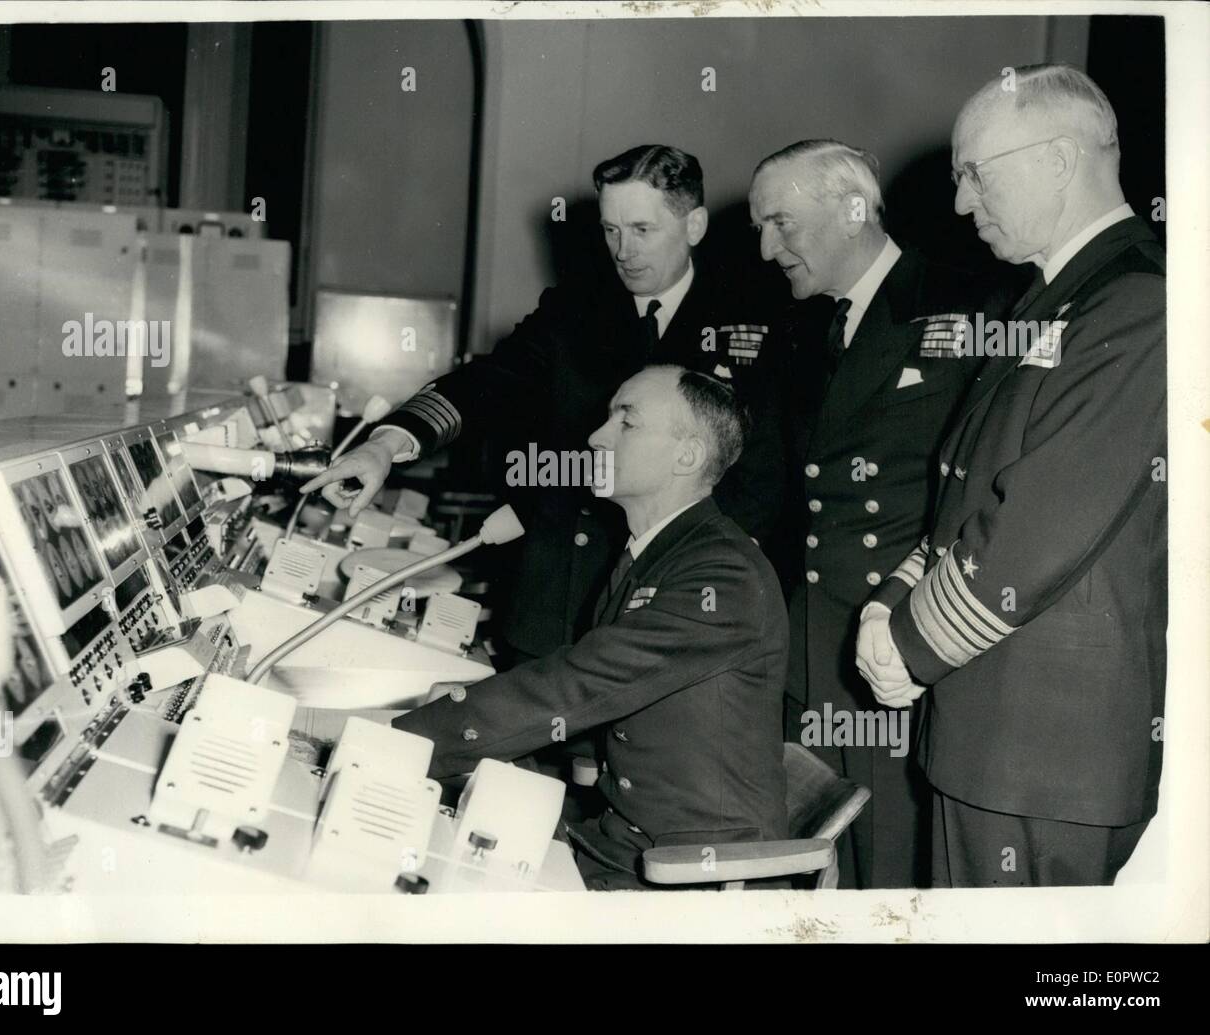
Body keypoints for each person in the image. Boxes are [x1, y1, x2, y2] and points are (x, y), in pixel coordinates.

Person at [856, 64, 1166, 887]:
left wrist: (912, 643)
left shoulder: (1139, 304)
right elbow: (965, 496)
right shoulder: (1052, 301)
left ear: (1060, 161)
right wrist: (889, 603)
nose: (960, 203)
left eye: (975, 174)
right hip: (998, 734)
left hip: (1048, 752)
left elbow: (1036, 524)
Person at [301, 144, 786, 666]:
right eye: (611, 230)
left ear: (693, 225)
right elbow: (486, 381)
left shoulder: (750, 319)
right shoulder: (574, 311)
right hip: (561, 594)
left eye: (643, 230)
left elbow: (763, 475)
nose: (623, 251)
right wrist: (387, 444)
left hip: (680, 595)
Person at [393, 365, 788, 890]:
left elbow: (578, 685)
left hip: (693, 876)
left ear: (687, 455)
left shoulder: (721, 574)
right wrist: (462, 715)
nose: (596, 437)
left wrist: (401, 744)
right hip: (622, 846)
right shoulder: (656, 552)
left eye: (627, 422)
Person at [749, 140, 984, 889]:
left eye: (782, 223)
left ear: (854, 211)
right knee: (807, 864)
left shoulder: (962, 306)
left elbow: (977, 496)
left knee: (884, 868)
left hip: (897, 646)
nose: (765, 247)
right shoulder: (800, 330)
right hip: (811, 643)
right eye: (759, 226)